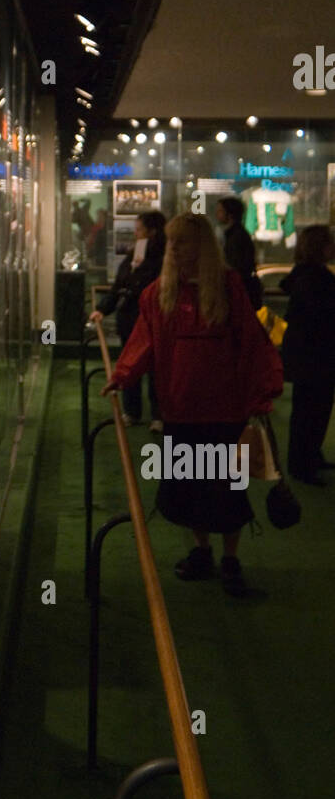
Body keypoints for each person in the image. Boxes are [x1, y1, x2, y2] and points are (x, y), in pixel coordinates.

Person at [103, 214, 283, 596]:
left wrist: (262, 392)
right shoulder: (159, 293)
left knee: (227, 490)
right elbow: (144, 339)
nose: (175, 249)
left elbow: (251, 343)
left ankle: (230, 558)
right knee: (188, 488)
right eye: (172, 242)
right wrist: (122, 375)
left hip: (224, 412)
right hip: (180, 410)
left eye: (183, 242)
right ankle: (203, 551)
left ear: (201, 246)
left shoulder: (229, 289)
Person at [89, 211, 166, 429]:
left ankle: (156, 414)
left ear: (152, 231)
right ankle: (134, 411)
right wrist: (103, 308)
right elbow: (120, 286)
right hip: (132, 318)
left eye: (139, 229)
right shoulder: (136, 255)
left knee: (155, 367)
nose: (135, 233)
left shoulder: (162, 259)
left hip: (150, 319)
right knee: (134, 361)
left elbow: (130, 286)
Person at [280, 225, 335, 487]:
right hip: (316, 356)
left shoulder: (304, 276)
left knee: (307, 410)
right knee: (314, 411)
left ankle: (307, 457)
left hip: (306, 354)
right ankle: (304, 463)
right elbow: (321, 318)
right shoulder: (317, 279)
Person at [215, 197, 262, 309]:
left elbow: (235, 265)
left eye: (220, 211)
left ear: (230, 214)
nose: (217, 214)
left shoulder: (236, 237)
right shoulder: (237, 234)